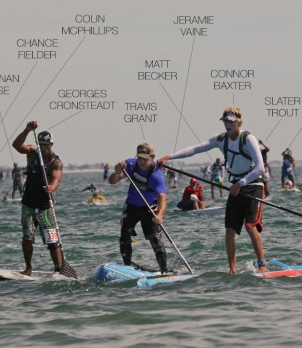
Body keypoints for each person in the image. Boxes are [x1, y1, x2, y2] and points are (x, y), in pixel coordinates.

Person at [159, 105, 268, 274]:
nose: (228, 125)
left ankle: (262, 265)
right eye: (225, 121)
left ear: (239, 123)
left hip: (253, 184)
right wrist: (170, 157)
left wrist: (241, 184)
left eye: (231, 122)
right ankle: (233, 270)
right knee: (230, 229)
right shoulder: (221, 139)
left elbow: (260, 168)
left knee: (249, 226)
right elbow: (195, 149)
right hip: (236, 186)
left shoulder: (248, 139)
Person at [13, 121, 72, 277]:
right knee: (27, 236)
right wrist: (26, 130)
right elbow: (16, 146)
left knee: (52, 241)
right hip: (28, 204)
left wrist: (52, 187)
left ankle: (59, 269)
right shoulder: (32, 152)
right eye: (42, 144)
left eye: (47, 145)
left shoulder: (56, 162)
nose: (44, 147)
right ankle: (28, 268)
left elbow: (56, 178)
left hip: (45, 206)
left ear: (51, 145)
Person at [108, 143, 170, 273]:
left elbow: (162, 199)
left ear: (152, 157)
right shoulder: (130, 165)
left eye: (145, 159)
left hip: (149, 207)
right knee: (124, 236)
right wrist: (117, 172)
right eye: (139, 158)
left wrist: (159, 215)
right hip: (131, 206)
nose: (141, 162)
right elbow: (112, 181)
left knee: (155, 240)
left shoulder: (156, 175)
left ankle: (164, 271)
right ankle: (127, 267)